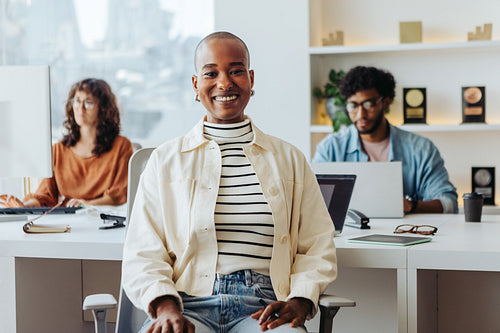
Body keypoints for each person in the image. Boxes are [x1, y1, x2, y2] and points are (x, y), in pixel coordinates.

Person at [122, 31, 337, 333]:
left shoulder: (290, 159)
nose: (224, 82)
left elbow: (317, 245)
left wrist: (301, 299)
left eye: (236, 71)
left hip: (265, 308)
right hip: (187, 303)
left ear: (250, 79)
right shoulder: (164, 160)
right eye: (211, 73)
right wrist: (164, 307)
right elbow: (142, 252)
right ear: (196, 85)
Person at [312, 66, 458, 214]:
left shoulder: (421, 149)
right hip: (347, 235)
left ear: (386, 103)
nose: (360, 114)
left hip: (404, 234)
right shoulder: (330, 148)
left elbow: (449, 203)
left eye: (368, 104)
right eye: (353, 105)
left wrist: (412, 206)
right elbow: (311, 201)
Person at [21, 78, 133, 207]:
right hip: (67, 220)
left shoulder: (121, 146)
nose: (81, 108)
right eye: (77, 101)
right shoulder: (58, 150)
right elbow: (46, 196)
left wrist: (86, 205)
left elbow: (118, 195)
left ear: (103, 108)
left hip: (104, 219)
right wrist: (25, 205)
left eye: (88, 102)